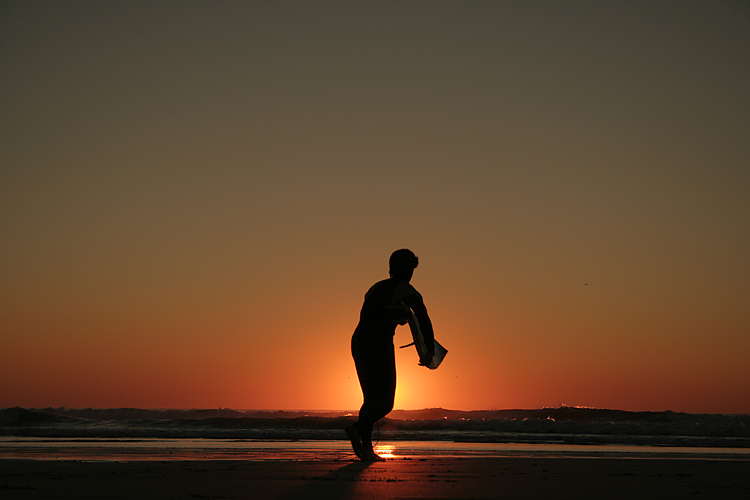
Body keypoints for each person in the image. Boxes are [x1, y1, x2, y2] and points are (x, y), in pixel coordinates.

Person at [345, 249, 435, 461]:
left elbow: (372, 313)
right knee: (385, 403)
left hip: (358, 342)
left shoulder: (375, 287)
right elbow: (423, 319)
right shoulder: (407, 290)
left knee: (370, 399)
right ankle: (357, 429)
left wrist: (396, 315)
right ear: (407, 269)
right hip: (378, 343)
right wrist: (429, 349)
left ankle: (366, 451)